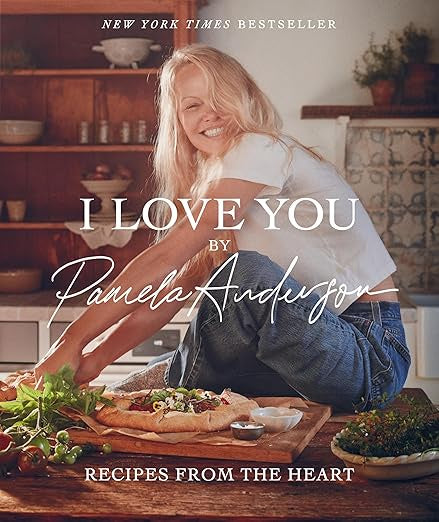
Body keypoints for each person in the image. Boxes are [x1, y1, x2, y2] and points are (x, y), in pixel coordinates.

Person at [34, 44, 410, 412]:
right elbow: (169, 293)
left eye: (220, 97)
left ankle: (174, 392)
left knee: (243, 274)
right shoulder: (219, 181)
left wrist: (71, 339)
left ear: (246, 98)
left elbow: (166, 257)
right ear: (178, 121)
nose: (209, 114)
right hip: (306, 354)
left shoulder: (260, 148)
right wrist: (94, 361)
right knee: (146, 377)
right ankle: (166, 392)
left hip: (368, 353)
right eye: (192, 105)